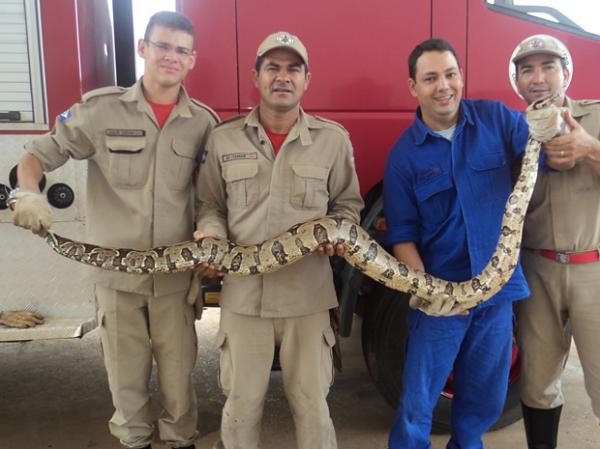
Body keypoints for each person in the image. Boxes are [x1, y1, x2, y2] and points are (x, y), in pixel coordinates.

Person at [9, 11, 218, 449]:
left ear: (193, 60)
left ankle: (181, 441)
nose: (170, 57)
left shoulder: (203, 122)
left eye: (181, 50)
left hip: (175, 280)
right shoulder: (101, 110)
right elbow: (36, 156)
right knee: (125, 383)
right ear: (143, 48)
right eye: (162, 46)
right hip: (117, 279)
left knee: (180, 386)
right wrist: (27, 195)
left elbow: (210, 197)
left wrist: (211, 239)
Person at [195, 31, 363, 449]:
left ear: (307, 79)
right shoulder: (224, 138)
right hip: (244, 299)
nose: (282, 77)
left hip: (307, 297)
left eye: (293, 69)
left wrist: (338, 234)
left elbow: (348, 205)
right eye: (273, 67)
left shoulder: (332, 140)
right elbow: (210, 205)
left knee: (311, 407)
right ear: (256, 76)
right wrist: (212, 239)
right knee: (241, 406)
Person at [383, 38, 534, 449]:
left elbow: (543, 145)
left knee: (483, 403)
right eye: (430, 78)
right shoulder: (403, 157)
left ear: (461, 77)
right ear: (413, 86)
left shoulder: (497, 120)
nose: (443, 86)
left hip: (496, 297)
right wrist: (424, 290)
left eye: (450, 74)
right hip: (441, 299)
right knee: (417, 405)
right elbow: (402, 235)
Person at [512, 34, 600, 449]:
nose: (538, 77)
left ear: (567, 72)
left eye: (548, 66)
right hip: (537, 270)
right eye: (527, 69)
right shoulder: (514, 132)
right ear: (517, 81)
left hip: (593, 269)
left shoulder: (595, 117)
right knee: (537, 382)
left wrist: (590, 148)